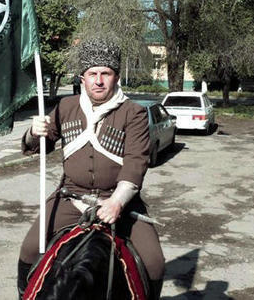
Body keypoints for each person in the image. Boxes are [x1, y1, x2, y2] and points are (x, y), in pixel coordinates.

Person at [17, 38, 165, 299]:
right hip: (70, 198)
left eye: (105, 73)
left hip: (118, 201)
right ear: (83, 78)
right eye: (92, 74)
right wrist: (33, 132)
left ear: (116, 77)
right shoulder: (66, 107)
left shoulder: (134, 112)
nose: (98, 80)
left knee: (154, 263)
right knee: (29, 249)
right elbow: (41, 145)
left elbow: (136, 161)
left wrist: (118, 201)